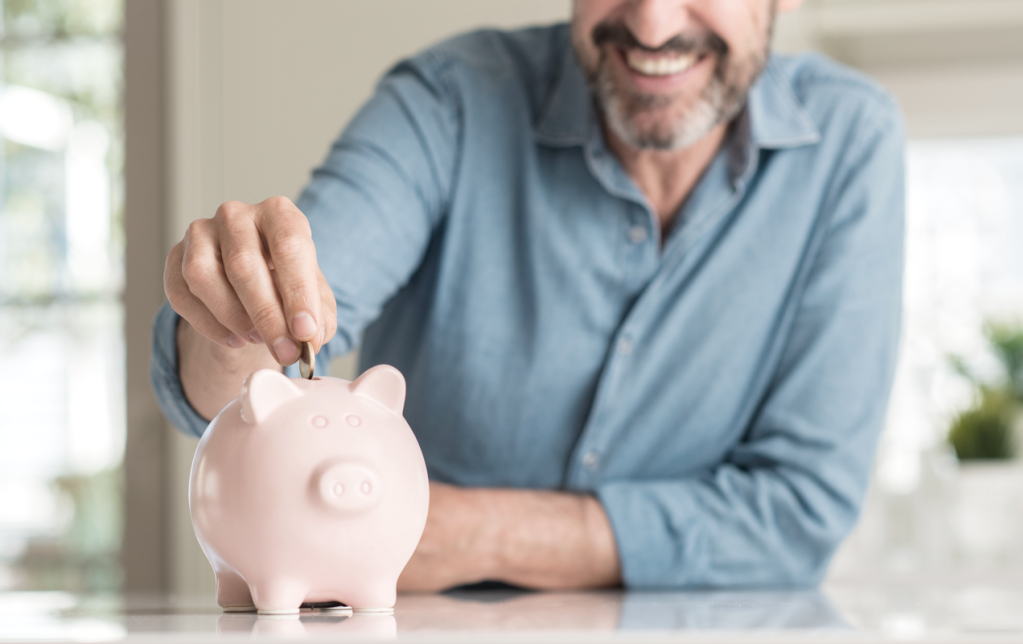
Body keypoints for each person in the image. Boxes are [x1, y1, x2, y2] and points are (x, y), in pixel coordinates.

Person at [152, 0, 904, 590]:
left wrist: (455, 531)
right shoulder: (449, 100)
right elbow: (247, 373)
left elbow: (796, 517)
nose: (651, 22)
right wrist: (235, 313)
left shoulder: (849, 142)